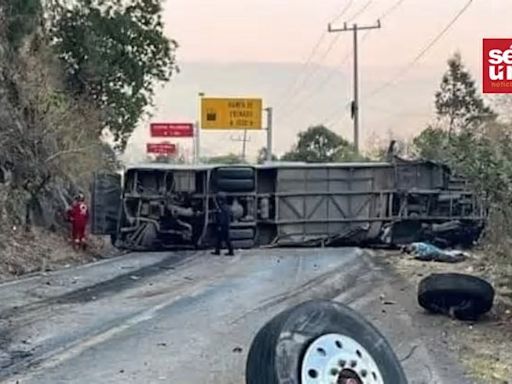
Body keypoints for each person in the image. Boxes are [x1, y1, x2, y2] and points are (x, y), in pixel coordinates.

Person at [212, 191, 234, 256]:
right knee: (221, 239)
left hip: (223, 225)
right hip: (226, 225)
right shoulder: (227, 207)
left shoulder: (221, 208)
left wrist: (219, 225)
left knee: (225, 239)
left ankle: (230, 251)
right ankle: (218, 251)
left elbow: (221, 217)